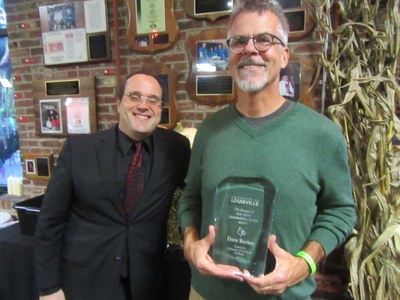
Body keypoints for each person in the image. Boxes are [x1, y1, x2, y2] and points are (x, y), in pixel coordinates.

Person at [178, 0, 357, 299]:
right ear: (230, 55)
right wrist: (190, 242)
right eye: (239, 41)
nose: (250, 49)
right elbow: (190, 197)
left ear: (285, 55)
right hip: (206, 294)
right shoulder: (209, 130)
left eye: (264, 39)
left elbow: (340, 211)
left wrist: (304, 264)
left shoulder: (321, 134)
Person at [35, 72, 191, 300]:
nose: (143, 106)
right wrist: (48, 288)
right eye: (134, 97)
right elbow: (51, 221)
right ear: (118, 103)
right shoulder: (80, 150)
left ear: (161, 107)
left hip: (149, 282)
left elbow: (194, 194)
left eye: (152, 99)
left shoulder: (176, 148)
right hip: (86, 281)